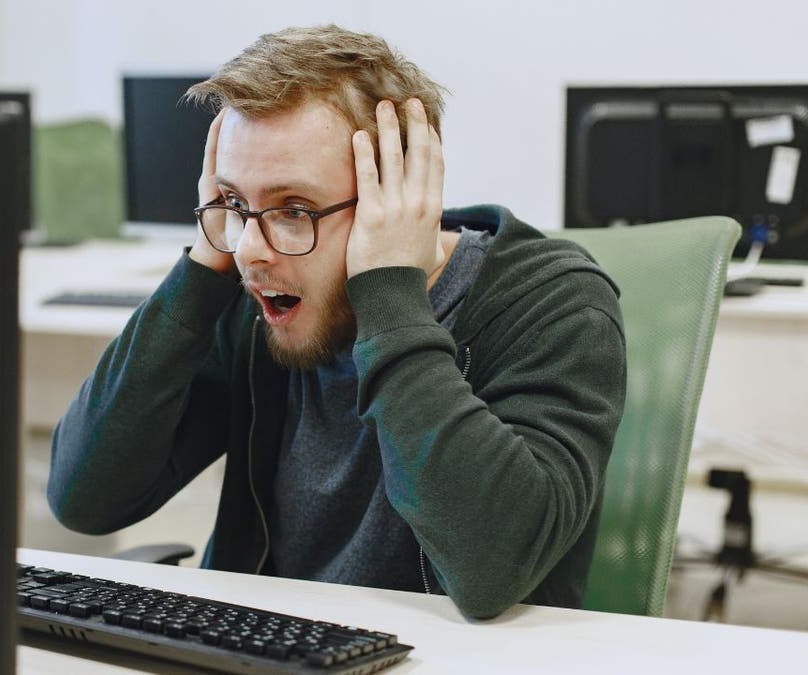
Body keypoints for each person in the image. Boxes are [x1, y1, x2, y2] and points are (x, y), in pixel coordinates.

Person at [47, 24, 625, 620]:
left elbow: (491, 571)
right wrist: (202, 270)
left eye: (294, 210)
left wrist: (389, 296)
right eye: (236, 203)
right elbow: (84, 500)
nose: (250, 249)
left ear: (396, 196)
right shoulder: (256, 297)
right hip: (261, 650)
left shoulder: (552, 303)